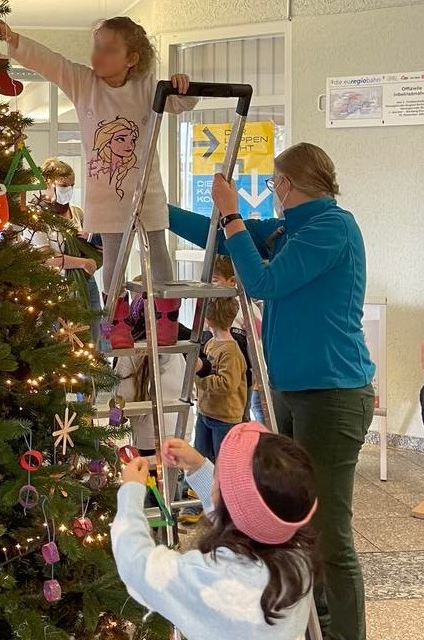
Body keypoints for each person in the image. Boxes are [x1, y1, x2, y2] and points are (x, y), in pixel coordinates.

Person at [168, 141, 375, 640]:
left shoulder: (332, 228)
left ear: (285, 184)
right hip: (288, 392)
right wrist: (158, 207)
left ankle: (345, 633)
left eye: (273, 182)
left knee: (329, 531)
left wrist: (233, 214)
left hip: (332, 395)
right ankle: (314, 624)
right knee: (295, 521)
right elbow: (219, 237)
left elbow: (264, 282)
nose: (272, 190)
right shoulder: (288, 229)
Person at [0, 16, 197, 343]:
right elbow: (51, 63)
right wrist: (14, 39)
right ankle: (117, 321)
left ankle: (166, 317)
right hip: (105, 197)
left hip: (146, 192)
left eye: (109, 49)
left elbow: (180, 103)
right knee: (114, 257)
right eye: (97, 46)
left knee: (158, 250)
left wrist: (182, 85)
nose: (98, 55)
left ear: (132, 58)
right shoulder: (84, 83)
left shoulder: (147, 86)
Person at [112, 426, 318, 639]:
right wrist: (197, 466)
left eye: (217, 476)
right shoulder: (299, 557)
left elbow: (136, 564)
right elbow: (245, 516)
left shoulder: (208, 578)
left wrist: (131, 491)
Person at [23, 158, 102, 339]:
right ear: (47, 184)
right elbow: (45, 257)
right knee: (62, 340)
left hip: (86, 283)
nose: (68, 190)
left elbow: (93, 246)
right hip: (55, 287)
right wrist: (84, 263)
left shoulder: (77, 212)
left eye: (72, 185)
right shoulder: (35, 216)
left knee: (92, 337)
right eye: (63, 186)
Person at [193, 297, 248, 460]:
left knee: (224, 462)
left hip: (225, 418)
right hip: (206, 412)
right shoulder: (211, 343)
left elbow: (227, 385)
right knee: (201, 459)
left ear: (208, 319)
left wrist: (198, 377)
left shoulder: (231, 352)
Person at [211, 254, 264, 423]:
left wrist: (257, 375)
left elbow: (257, 343)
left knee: (239, 417)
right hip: (216, 374)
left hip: (242, 377)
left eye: (215, 280)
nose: (210, 285)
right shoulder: (210, 305)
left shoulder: (246, 309)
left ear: (232, 281)